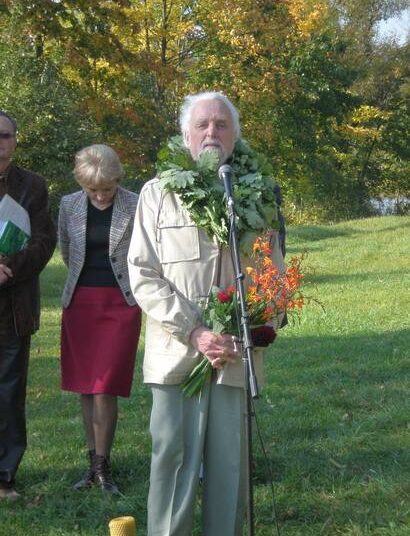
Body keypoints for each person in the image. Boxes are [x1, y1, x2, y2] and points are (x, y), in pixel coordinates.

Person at [128, 92, 285, 535]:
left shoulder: (261, 195)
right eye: (203, 125)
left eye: (221, 125)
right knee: (172, 463)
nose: (212, 132)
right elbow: (142, 273)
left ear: (235, 136)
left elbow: (275, 274)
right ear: (186, 135)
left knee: (229, 470)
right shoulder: (157, 194)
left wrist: (258, 328)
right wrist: (195, 331)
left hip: (236, 357)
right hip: (175, 355)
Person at [58, 144, 141, 495]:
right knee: (86, 388)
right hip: (80, 304)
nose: (101, 195)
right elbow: (66, 249)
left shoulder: (136, 204)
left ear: (117, 180)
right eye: (93, 189)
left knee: (105, 387)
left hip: (120, 304)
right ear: (82, 185)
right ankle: (92, 463)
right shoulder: (68, 205)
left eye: (106, 188)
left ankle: (103, 466)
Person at [0, 111, 56, 499]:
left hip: (13, 308)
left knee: (8, 392)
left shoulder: (33, 187)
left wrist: (7, 268)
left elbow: (43, 242)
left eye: (4, 135)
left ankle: (4, 476)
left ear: (15, 140)